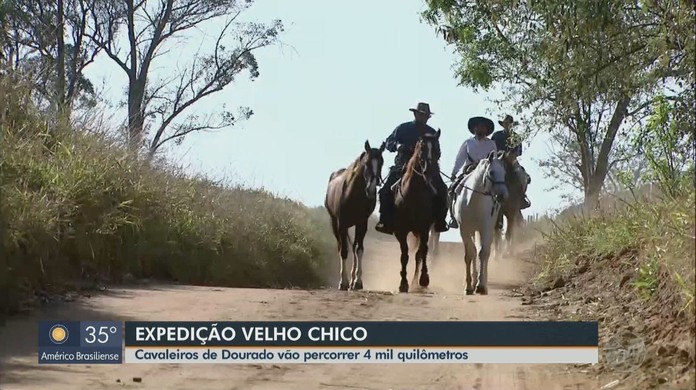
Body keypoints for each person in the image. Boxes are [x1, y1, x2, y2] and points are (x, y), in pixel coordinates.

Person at [375, 102, 449, 235]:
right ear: (415, 114)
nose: (423, 117)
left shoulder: (432, 132)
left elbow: (438, 152)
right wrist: (398, 147)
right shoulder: (403, 128)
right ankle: (385, 221)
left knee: (443, 190)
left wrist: (431, 158)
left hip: (426, 168)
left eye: (425, 115)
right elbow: (389, 142)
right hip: (402, 166)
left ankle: (440, 221)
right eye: (421, 114)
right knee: (384, 191)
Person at [447, 116, 498, 229]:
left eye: (483, 127)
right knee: (452, 189)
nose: (481, 129)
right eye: (479, 127)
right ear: (474, 128)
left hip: (485, 173)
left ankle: (497, 220)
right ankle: (453, 217)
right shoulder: (468, 143)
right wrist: (454, 172)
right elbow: (460, 158)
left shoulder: (491, 144)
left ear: (486, 130)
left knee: (497, 192)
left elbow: (494, 161)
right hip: (469, 171)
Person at [491, 114, 531, 209]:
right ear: (503, 124)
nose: (508, 125)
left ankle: (522, 197)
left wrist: (511, 155)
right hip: (498, 159)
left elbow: (518, 152)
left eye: (509, 123)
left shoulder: (516, 137)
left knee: (522, 176)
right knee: (489, 174)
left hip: (512, 160)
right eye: (506, 123)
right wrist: (501, 154)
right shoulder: (496, 135)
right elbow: (491, 149)